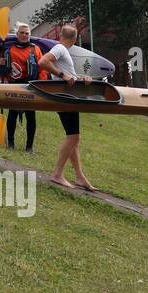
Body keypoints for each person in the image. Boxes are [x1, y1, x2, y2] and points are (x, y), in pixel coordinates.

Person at [39, 24, 97, 191]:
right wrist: (62, 75)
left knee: (73, 139)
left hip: (66, 96)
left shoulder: (63, 51)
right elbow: (43, 61)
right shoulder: (60, 49)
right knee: (74, 138)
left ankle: (80, 177)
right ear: (75, 38)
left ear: (60, 35)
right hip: (64, 97)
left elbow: (68, 75)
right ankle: (57, 174)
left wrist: (81, 78)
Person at [0, 22, 46, 151]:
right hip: (15, 86)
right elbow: (0, 65)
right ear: (17, 34)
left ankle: (29, 147)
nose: (25, 35)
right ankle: (11, 143)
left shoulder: (35, 49)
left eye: (27, 33)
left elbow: (42, 68)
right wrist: (0, 61)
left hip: (31, 86)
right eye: (22, 33)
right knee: (12, 114)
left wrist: (41, 84)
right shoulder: (10, 50)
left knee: (31, 116)